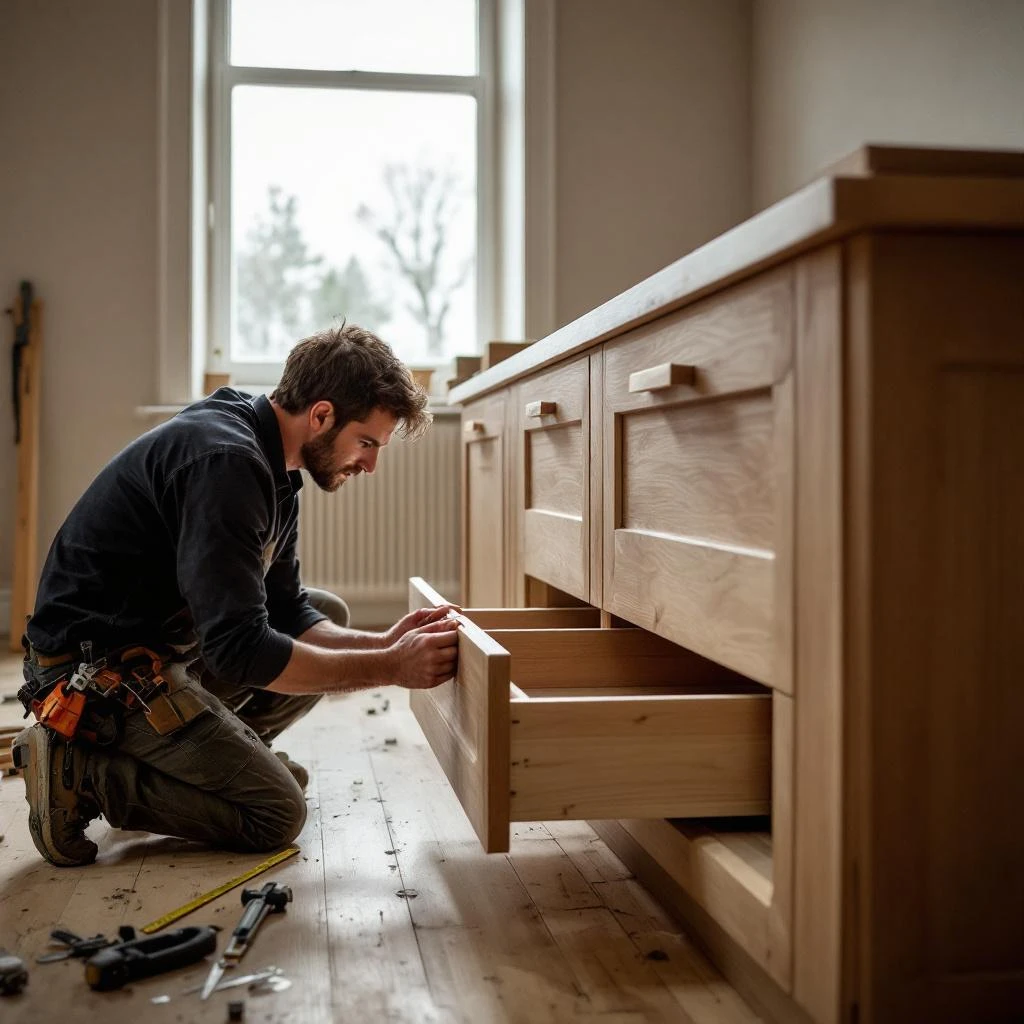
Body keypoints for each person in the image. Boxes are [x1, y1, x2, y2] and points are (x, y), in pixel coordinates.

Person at [12, 323, 460, 867]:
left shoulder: (274, 464)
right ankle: (85, 775)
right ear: (321, 416)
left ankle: (218, 766)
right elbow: (238, 650)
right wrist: (389, 667)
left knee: (329, 616)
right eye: (366, 442)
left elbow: (288, 610)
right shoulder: (228, 462)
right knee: (275, 814)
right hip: (95, 678)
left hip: (156, 651)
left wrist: (381, 643)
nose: (369, 464)